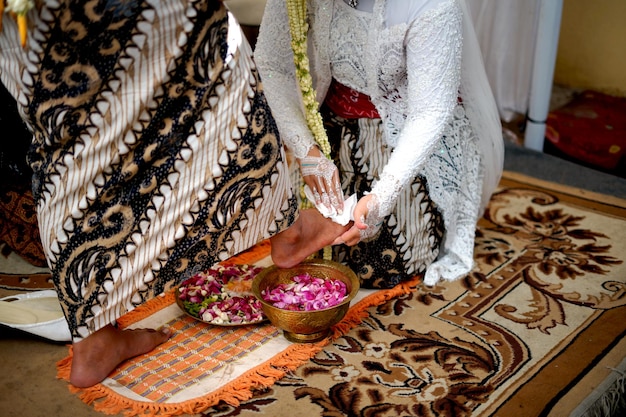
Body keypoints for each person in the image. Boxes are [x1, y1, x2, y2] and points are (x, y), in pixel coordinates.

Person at [0, 0, 348, 388]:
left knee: (70, 139)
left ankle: (93, 342)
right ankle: (286, 228)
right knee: (220, 63)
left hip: (23, 18)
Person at [255, 0, 504, 289]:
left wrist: (382, 198)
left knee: (378, 260)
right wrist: (305, 149)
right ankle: (321, 220)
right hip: (328, 122)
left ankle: (329, 222)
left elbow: (430, 112)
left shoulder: (432, 5)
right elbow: (272, 63)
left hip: (406, 135)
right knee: (268, 205)